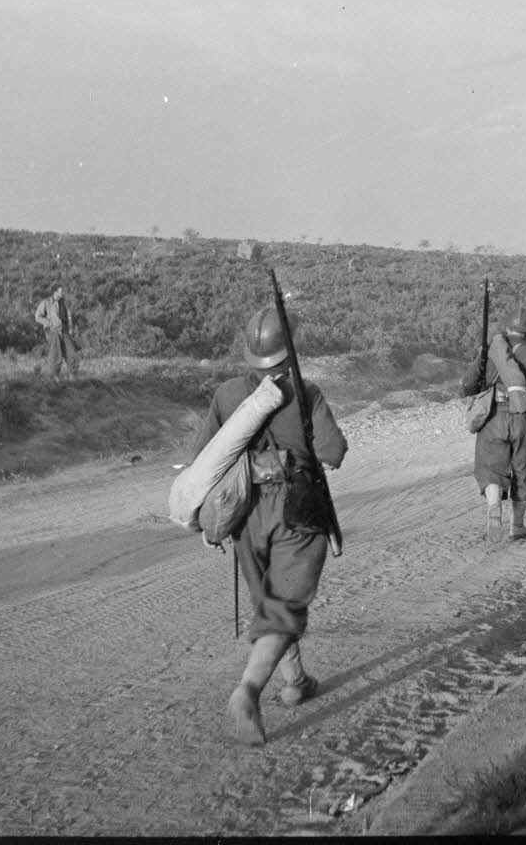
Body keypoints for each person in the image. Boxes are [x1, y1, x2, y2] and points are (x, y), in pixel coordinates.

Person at [192, 302, 348, 746]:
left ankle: (295, 679)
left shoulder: (225, 394)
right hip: (296, 508)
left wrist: (210, 522)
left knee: (270, 599)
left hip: (243, 510)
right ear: (289, 349)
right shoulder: (307, 392)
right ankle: (249, 690)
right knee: (286, 603)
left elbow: (205, 458)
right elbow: (334, 453)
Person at [461, 308, 526, 542]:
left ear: (507, 327)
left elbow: (468, 385)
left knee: (491, 468)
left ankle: (494, 507)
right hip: (524, 418)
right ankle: (517, 526)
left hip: (492, 417)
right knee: (525, 469)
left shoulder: (488, 350)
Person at [34, 284, 79, 379]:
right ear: (55, 292)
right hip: (52, 331)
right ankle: (54, 377)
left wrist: (70, 330)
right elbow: (37, 316)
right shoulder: (46, 303)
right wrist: (48, 323)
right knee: (55, 354)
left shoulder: (64, 303)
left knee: (72, 354)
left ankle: (73, 377)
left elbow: (69, 317)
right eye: (61, 291)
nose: (62, 293)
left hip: (65, 331)